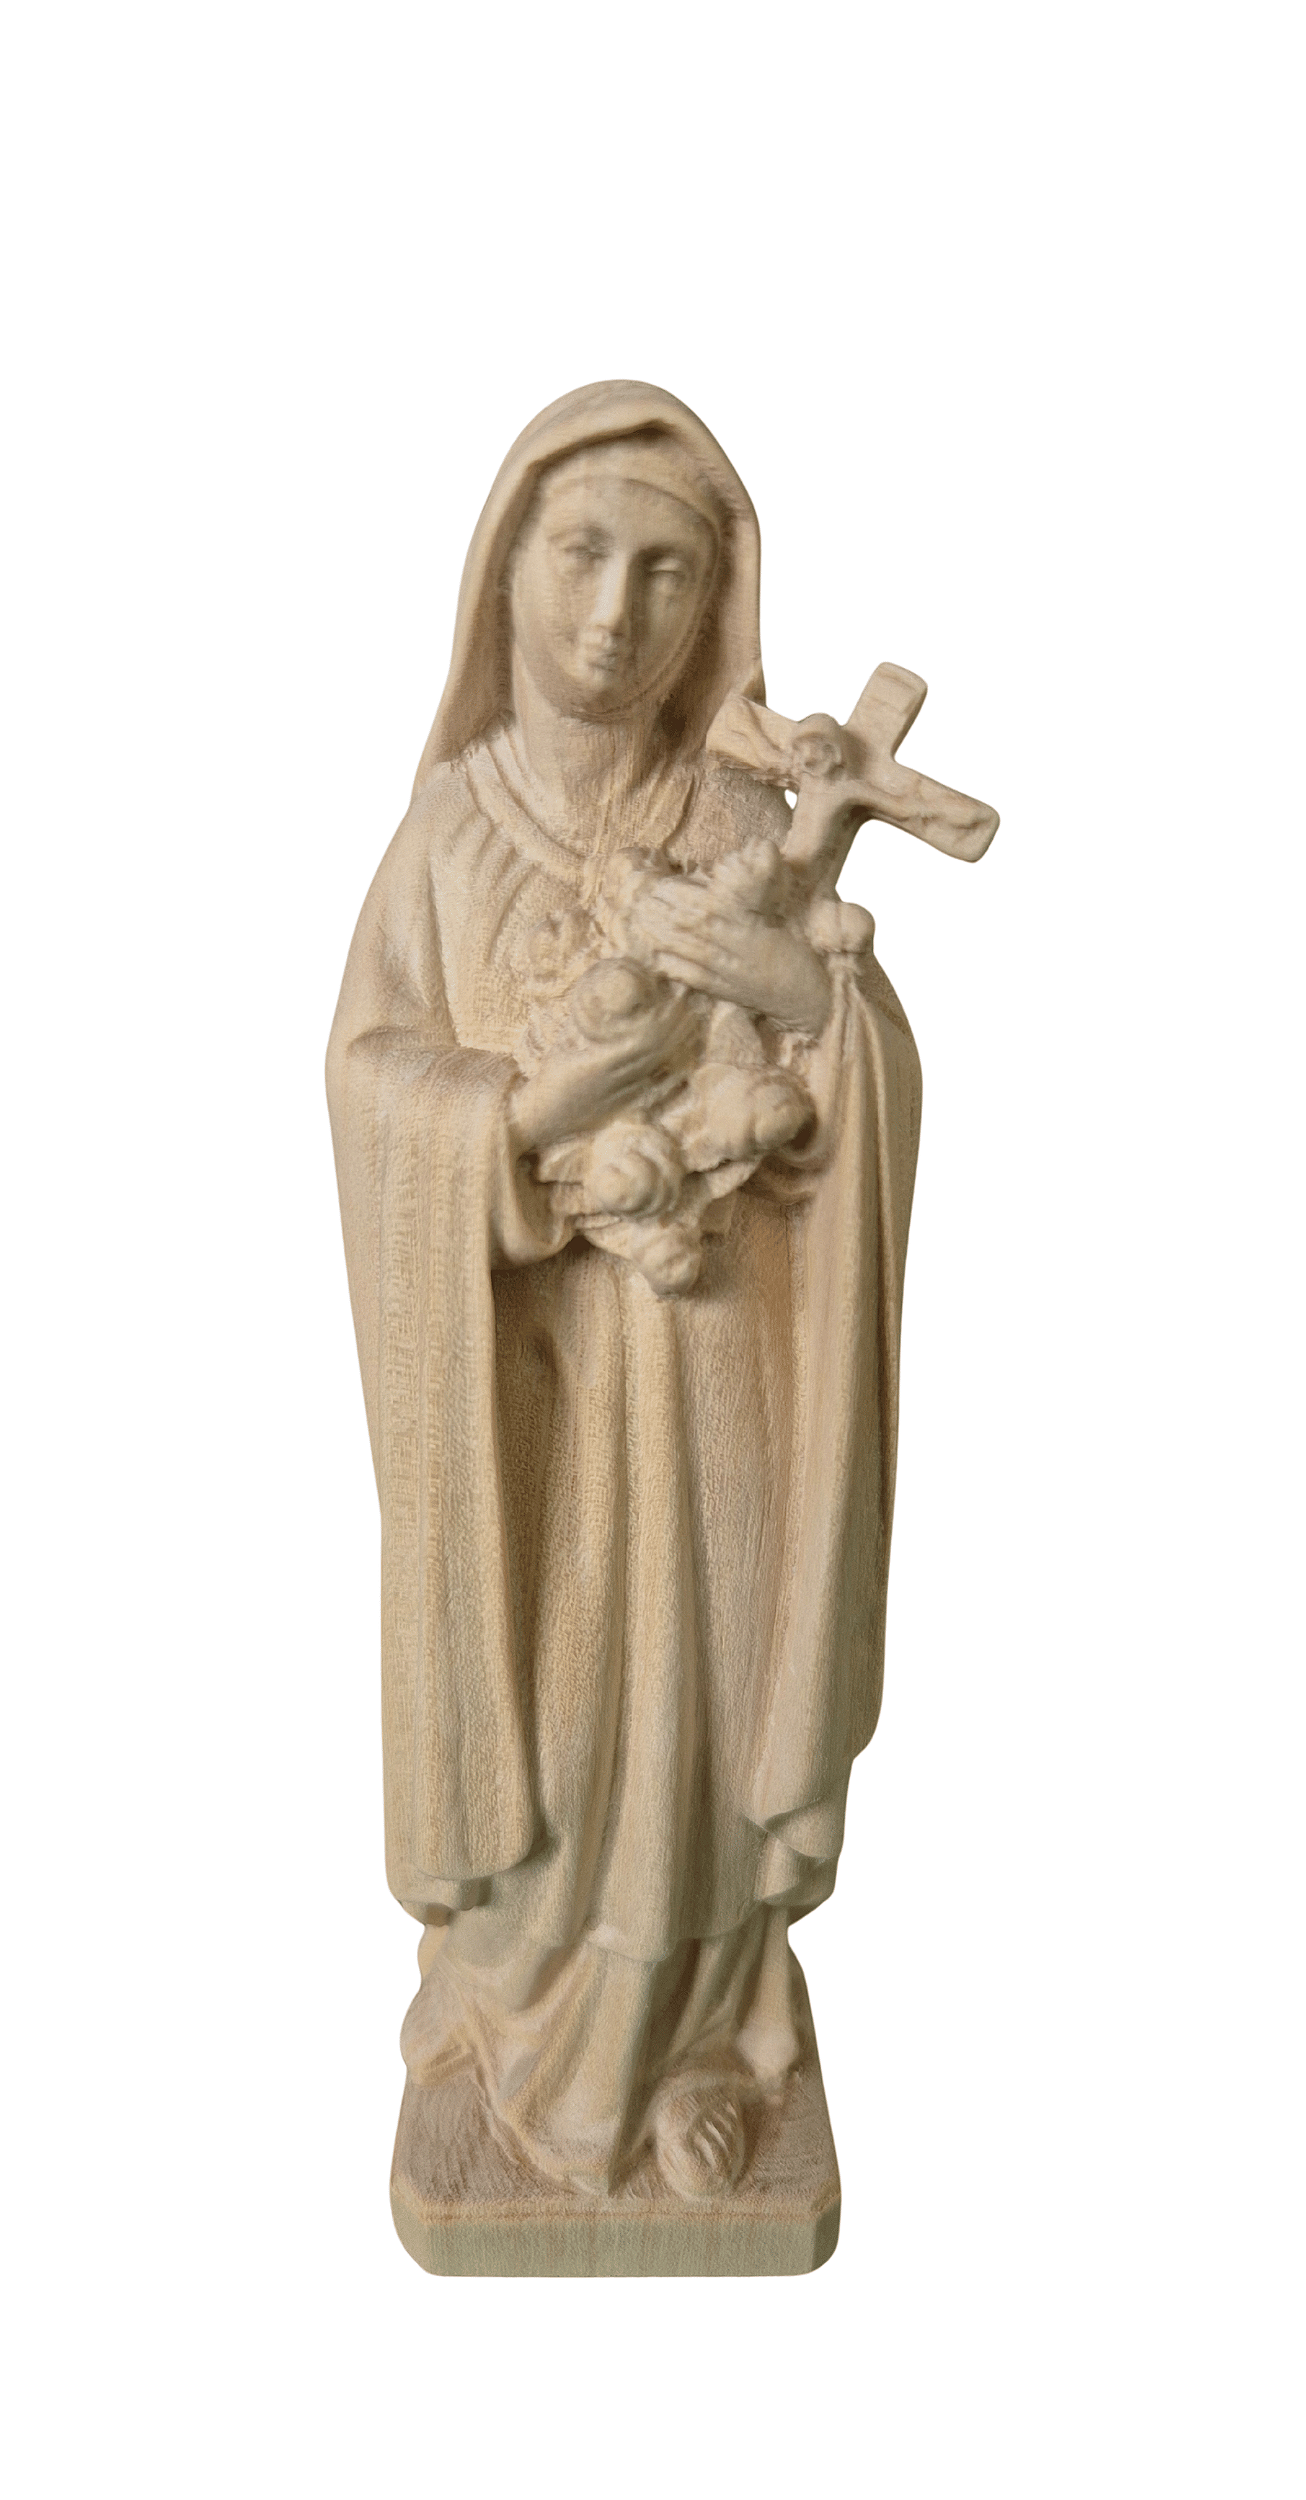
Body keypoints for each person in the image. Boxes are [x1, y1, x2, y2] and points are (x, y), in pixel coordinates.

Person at [327, 381, 921, 2199]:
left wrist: (813, 1013)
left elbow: (860, 1076)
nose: (613, 613)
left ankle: (703, 2027)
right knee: (563, 1705)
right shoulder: (451, 834)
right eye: (579, 553)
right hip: (534, 1397)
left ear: (715, 600)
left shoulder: (747, 809)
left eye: (666, 572)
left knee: (708, 1694)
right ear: (502, 566)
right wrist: (521, 1120)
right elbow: (369, 1084)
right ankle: (522, 2027)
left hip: (724, 1363)